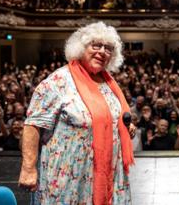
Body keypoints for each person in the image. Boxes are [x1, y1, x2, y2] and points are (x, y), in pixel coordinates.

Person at [18, 22, 135, 205]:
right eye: (95, 45)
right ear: (80, 48)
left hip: (107, 171)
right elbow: (33, 124)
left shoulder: (108, 82)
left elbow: (110, 115)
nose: (102, 51)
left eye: (108, 48)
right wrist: (28, 168)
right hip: (69, 177)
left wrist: (122, 126)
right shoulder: (58, 81)